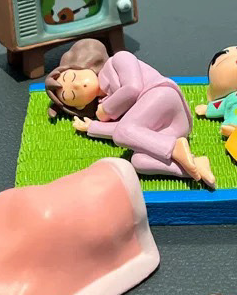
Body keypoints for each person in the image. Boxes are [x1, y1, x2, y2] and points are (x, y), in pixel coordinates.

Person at [45, 39, 215, 186]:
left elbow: (133, 88)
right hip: (169, 131)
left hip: (163, 96)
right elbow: (127, 130)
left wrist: (106, 110)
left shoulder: (118, 60)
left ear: (80, 67)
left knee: (122, 133)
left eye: (72, 77)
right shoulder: (104, 103)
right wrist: (92, 126)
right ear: (80, 106)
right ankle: (194, 165)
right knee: (138, 161)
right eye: (71, 95)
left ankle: (174, 148)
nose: (76, 85)